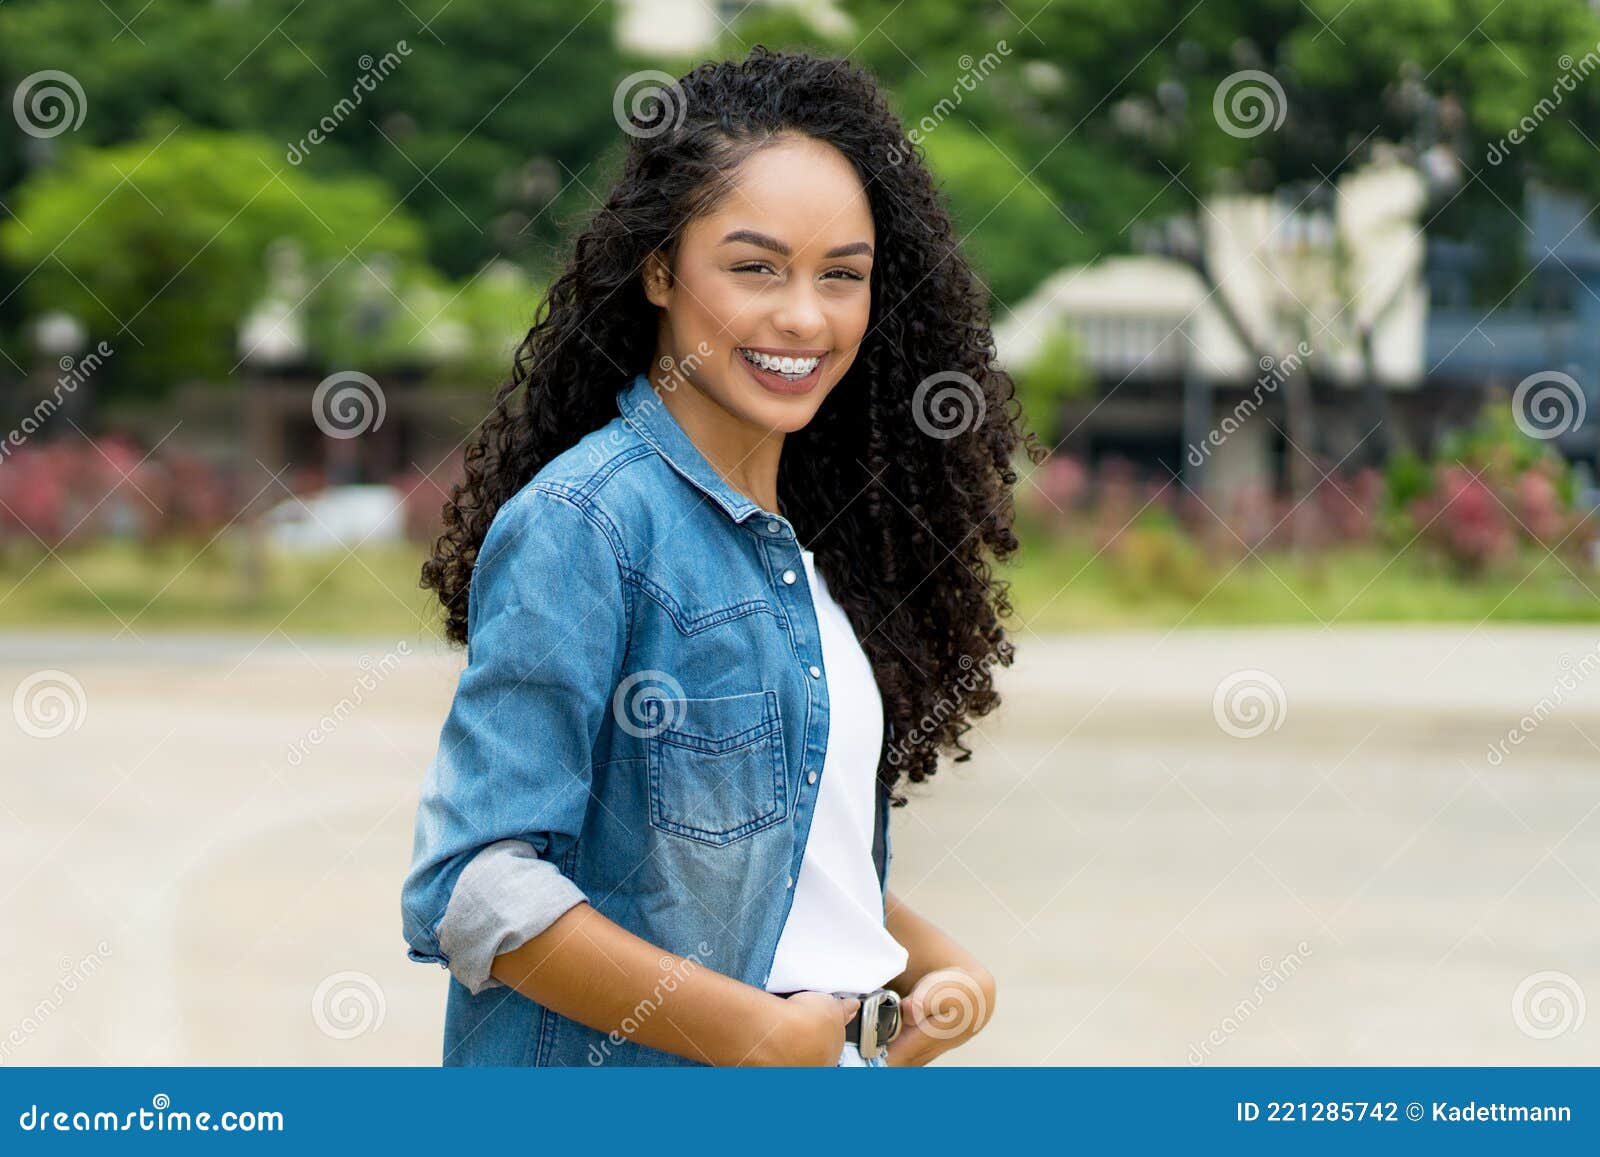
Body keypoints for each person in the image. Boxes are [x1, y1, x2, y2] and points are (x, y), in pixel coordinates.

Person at [401, 46, 1040, 1067]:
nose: (803, 315)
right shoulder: (589, 522)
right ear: (659, 269)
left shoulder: (810, 552)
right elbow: (477, 883)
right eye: (755, 267)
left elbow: (754, 838)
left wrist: (923, 960)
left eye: (843, 276)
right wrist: (749, 1032)